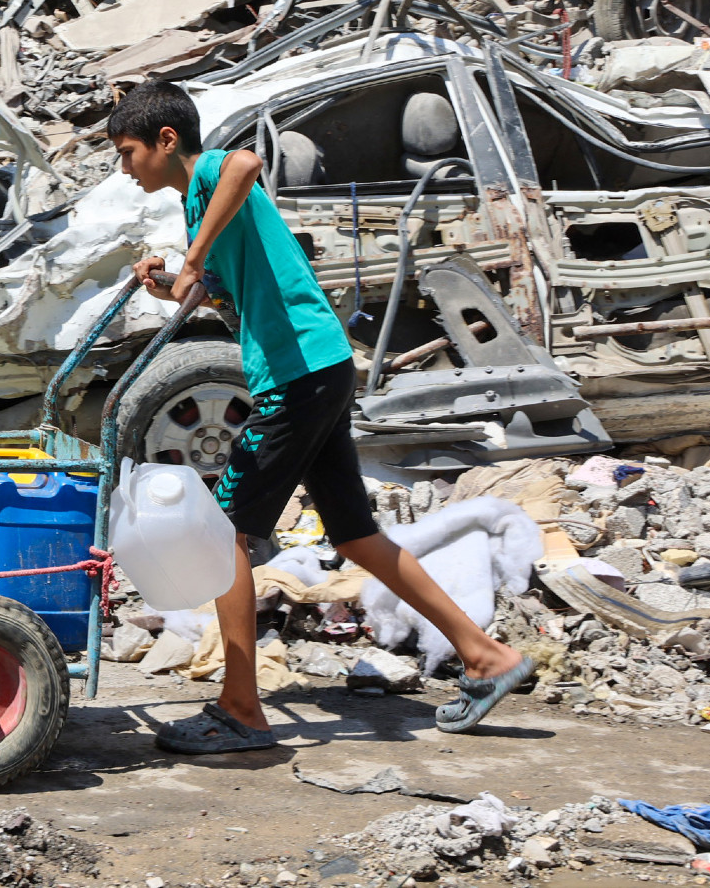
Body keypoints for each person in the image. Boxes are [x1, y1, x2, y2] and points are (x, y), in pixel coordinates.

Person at [108, 80, 531, 754]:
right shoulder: (199, 210)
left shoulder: (213, 172)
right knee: (356, 537)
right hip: (317, 364)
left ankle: (240, 709)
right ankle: (486, 656)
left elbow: (246, 164)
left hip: (296, 372)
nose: (123, 168)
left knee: (222, 537)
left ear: (165, 141)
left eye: (127, 152)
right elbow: (229, 299)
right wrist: (170, 283)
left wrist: (190, 260)